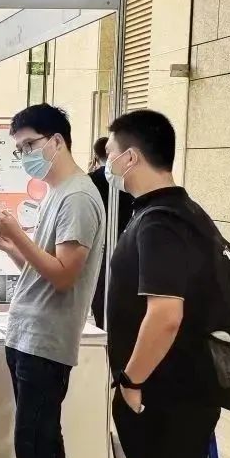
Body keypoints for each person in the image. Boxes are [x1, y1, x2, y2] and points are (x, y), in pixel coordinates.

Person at [0, 104, 105, 458]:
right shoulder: (58, 193)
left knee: (33, 446)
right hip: (27, 334)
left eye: (29, 145)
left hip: (46, 340)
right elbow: (42, 269)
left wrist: (18, 233)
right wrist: (10, 246)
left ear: (57, 141)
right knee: (44, 442)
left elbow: (63, 276)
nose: (24, 156)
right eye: (18, 149)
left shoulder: (78, 198)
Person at [105, 110, 220, 458]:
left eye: (111, 154)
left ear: (131, 157)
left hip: (165, 397)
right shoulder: (183, 211)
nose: (108, 164)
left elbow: (166, 315)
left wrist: (131, 382)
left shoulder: (160, 222)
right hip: (183, 393)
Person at [87, 136, 134, 328]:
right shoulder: (126, 180)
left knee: (100, 290)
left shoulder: (90, 181)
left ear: (96, 156)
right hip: (124, 240)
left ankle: (102, 326)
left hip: (100, 243)